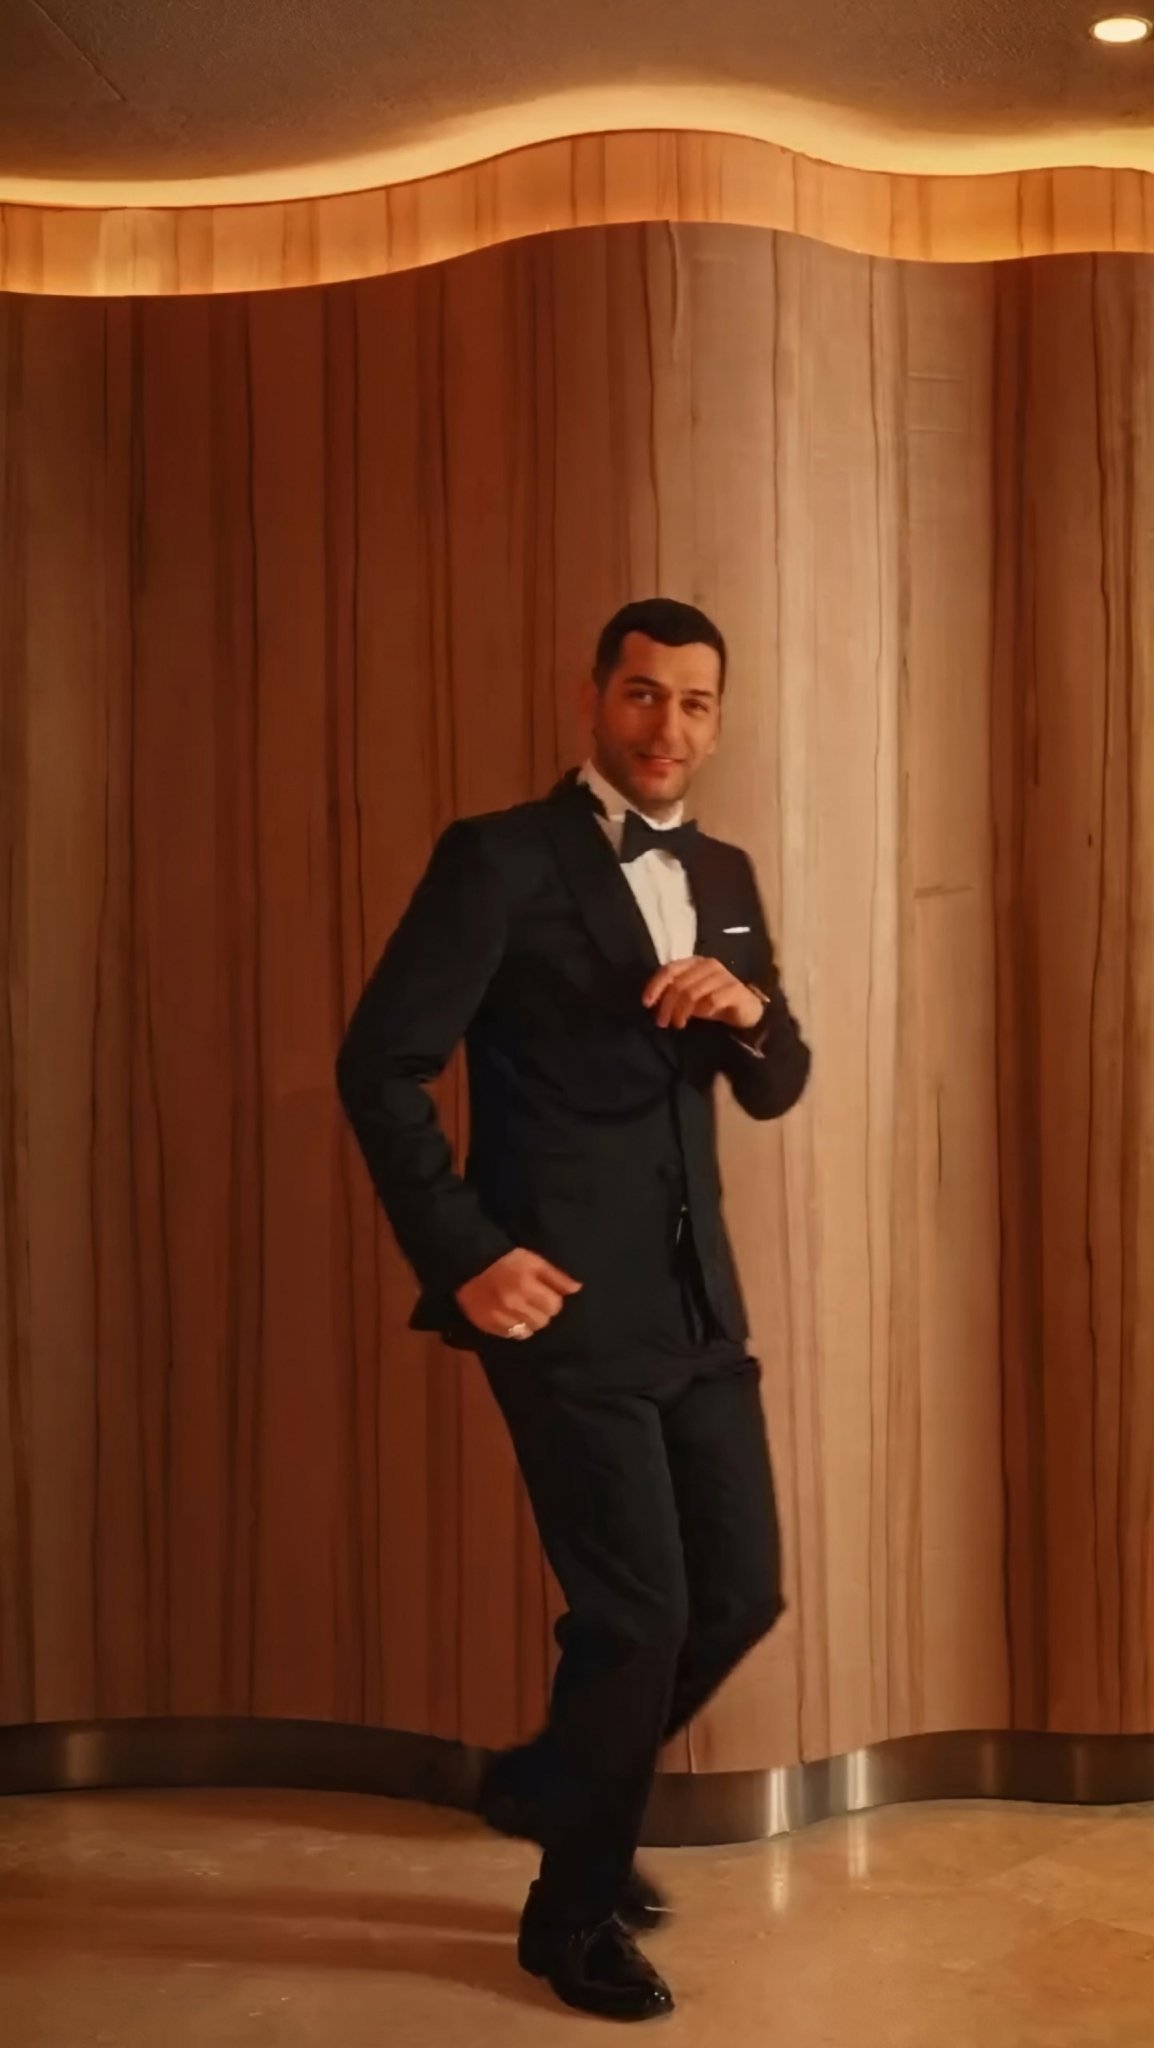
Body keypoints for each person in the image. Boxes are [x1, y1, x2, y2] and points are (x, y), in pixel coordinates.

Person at [336, 597, 810, 2021]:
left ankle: (559, 1780)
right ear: (595, 698)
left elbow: (775, 1082)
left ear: (717, 720)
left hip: (697, 1301)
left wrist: (749, 1013)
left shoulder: (722, 870)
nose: (668, 727)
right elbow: (379, 1065)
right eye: (642, 695)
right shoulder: (498, 857)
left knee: (737, 1593)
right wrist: (467, 1254)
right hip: (556, 1305)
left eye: (695, 703)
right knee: (638, 1614)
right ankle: (571, 1914)